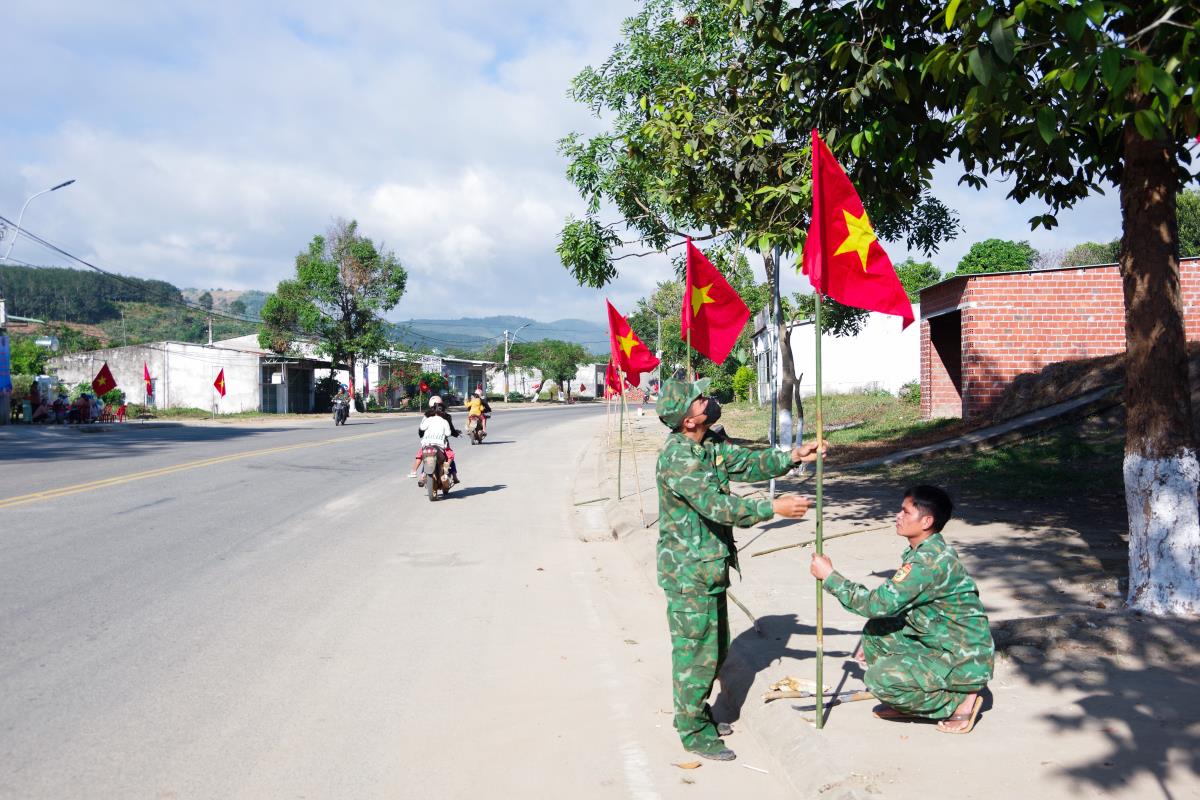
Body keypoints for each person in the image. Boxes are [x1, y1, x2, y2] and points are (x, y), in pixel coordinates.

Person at [656, 377, 825, 761]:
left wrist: (794, 456)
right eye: (700, 401)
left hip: (708, 568)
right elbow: (719, 507)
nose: (708, 401)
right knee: (694, 655)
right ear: (687, 421)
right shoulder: (678, 458)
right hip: (687, 574)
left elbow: (748, 463)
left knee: (713, 652)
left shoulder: (709, 444)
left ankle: (698, 715)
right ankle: (692, 730)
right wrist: (772, 508)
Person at [809, 485, 994, 735]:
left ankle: (957, 701)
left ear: (926, 521)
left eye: (906, 512)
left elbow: (876, 604)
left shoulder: (927, 562)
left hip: (962, 658)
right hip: (941, 642)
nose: (898, 515)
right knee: (877, 631)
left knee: (877, 680)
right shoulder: (923, 551)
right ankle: (911, 698)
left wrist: (830, 577)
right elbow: (893, 608)